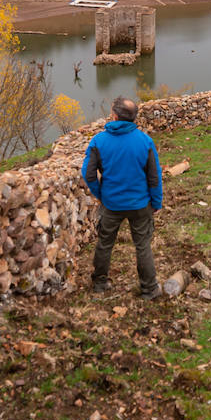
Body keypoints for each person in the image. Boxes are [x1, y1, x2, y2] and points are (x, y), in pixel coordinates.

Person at [81, 96, 163, 299]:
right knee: (142, 245)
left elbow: (88, 174)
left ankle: (100, 284)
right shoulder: (145, 141)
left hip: (111, 204)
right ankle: (149, 289)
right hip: (140, 204)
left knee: (105, 243)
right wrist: (156, 201)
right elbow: (154, 176)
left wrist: (100, 194)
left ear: (115, 116)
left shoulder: (99, 141)